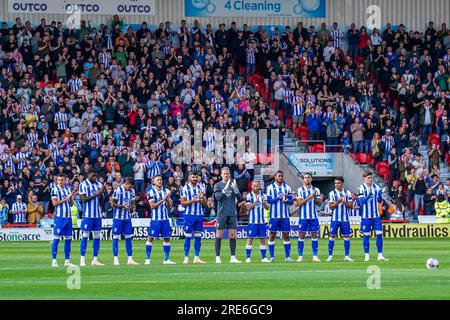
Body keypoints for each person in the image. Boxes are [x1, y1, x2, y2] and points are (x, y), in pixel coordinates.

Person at [357, 171, 389, 262]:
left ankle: (380, 255)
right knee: (366, 235)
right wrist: (369, 195)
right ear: (364, 179)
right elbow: (361, 202)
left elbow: (379, 200)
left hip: (376, 216)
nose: (370, 179)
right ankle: (366, 255)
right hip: (365, 216)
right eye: (368, 178)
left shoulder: (376, 187)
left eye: (371, 178)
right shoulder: (361, 188)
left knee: (379, 234)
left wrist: (379, 196)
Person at [214, 167, 243, 264]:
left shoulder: (233, 184)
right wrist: (224, 190)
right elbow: (218, 198)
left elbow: (240, 199)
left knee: (232, 235)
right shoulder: (217, 185)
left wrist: (236, 190)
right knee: (219, 234)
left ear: (229, 174)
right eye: (224, 173)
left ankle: (233, 257)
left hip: (231, 213)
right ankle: (217, 257)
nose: (226, 175)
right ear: (221, 175)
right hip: (221, 213)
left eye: (227, 173)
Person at [145, 175, 176, 265]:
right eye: (158, 180)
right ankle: (147, 259)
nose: (160, 181)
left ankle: (166, 259)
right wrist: (163, 199)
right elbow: (152, 206)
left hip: (165, 219)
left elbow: (169, 206)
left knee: (167, 238)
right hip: (155, 219)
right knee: (150, 238)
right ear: (153, 182)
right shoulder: (150, 192)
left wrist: (169, 201)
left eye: (161, 180)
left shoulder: (166, 191)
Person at [266, 170, 294, 263]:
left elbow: (291, 201)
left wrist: (287, 201)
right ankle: (272, 257)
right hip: (274, 216)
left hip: (285, 216)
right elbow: (269, 201)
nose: (280, 177)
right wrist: (279, 197)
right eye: (279, 176)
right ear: (275, 177)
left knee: (286, 235)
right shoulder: (270, 187)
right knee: (272, 235)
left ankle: (287, 257)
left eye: (282, 176)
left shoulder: (287, 188)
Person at [78, 172, 105, 267]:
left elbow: (101, 198)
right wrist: (97, 193)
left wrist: (102, 207)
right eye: (92, 176)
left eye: (95, 176)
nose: (94, 178)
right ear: (88, 175)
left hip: (97, 215)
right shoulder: (83, 185)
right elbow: (84, 199)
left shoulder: (99, 184)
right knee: (85, 236)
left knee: (97, 237)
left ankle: (95, 259)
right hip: (87, 215)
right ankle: (82, 259)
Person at [111, 177, 139, 266]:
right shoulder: (118, 190)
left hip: (127, 218)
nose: (130, 188)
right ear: (126, 183)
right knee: (115, 237)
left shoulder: (132, 191)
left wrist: (131, 207)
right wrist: (123, 206)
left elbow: (133, 202)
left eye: (131, 187)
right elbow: (113, 204)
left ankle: (130, 259)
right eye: (129, 187)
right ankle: (115, 259)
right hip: (117, 218)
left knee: (128, 237)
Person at [294, 172, 322, 262]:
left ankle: (315, 256)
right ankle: (300, 256)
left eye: (308, 177)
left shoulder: (316, 190)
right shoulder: (300, 190)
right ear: (303, 179)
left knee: (314, 236)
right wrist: (309, 197)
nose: (306, 179)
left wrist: (315, 198)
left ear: (311, 179)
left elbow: (319, 203)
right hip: (303, 217)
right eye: (305, 177)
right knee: (301, 236)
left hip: (313, 216)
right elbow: (298, 203)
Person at [180, 172, 207, 264]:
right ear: (189, 178)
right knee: (187, 236)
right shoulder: (185, 188)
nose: (195, 179)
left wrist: (202, 197)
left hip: (199, 215)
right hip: (189, 215)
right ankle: (186, 258)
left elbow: (205, 203)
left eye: (196, 177)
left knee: (198, 237)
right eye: (193, 177)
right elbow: (183, 203)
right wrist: (193, 200)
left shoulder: (201, 188)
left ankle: (196, 257)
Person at [326, 177, 354, 262]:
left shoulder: (347, 193)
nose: (336, 185)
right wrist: (338, 202)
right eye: (335, 183)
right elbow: (331, 207)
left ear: (342, 183)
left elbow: (350, 206)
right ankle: (330, 256)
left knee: (347, 237)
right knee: (332, 236)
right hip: (335, 219)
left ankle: (347, 256)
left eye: (338, 183)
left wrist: (344, 202)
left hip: (345, 219)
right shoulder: (332, 193)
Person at [51, 174, 76, 267]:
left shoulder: (67, 189)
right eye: (59, 180)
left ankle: (67, 260)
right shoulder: (54, 189)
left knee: (68, 239)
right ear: (57, 181)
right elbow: (54, 203)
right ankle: (54, 260)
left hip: (68, 217)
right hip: (59, 217)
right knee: (56, 238)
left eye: (62, 180)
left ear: (65, 180)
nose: (60, 182)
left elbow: (71, 204)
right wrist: (66, 198)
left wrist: (71, 198)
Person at [245, 180, 270, 263]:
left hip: (262, 221)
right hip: (252, 221)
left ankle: (264, 257)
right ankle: (248, 257)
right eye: (254, 186)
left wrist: (264, 203)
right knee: (250, 238)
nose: (256, 187)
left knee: (262, 239)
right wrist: (255, 202)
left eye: (257, 186)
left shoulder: (263, 196)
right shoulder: (249, 196)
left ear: (259, 186)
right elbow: (248, 207)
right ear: (252, 186)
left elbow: (267, 208)